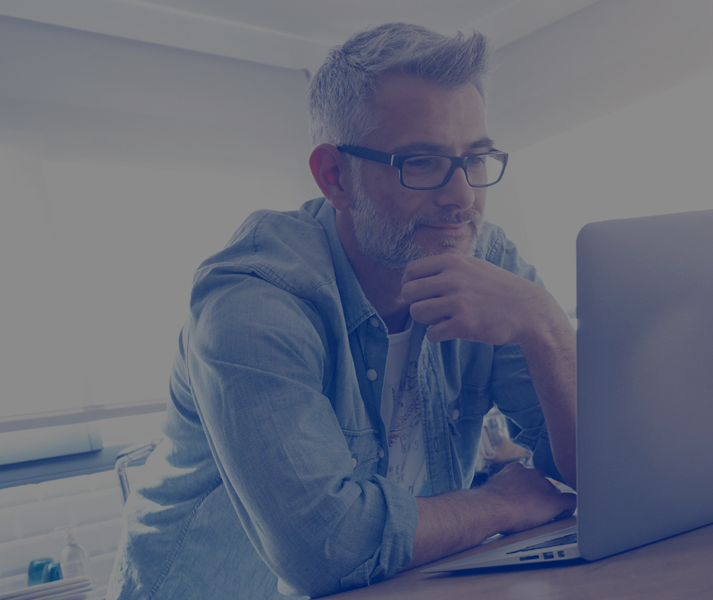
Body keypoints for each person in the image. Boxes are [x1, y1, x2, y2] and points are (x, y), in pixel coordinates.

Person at [112, 23, 580, 600]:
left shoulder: (491, 267)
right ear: (335, 177)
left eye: (475, 160)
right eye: (424, 162)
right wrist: (500, 503)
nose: (463, 197)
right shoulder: (253, 300)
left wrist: (547, 325)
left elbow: (604, 475)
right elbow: (327, 551)